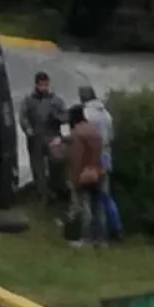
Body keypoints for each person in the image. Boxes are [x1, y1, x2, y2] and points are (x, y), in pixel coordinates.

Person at [79, 86, 123, 241]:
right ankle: (114, 231)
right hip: (106, 159)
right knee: (105, 198)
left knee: (86, 199)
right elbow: (111, 137)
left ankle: (88, 236)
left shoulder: (85, 113)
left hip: (91, 160)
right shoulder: (106, 113)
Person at [19, 72, 67, 205]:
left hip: (53, 136)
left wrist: (58, 117)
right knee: (38, 168)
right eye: (42, 85)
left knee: (56, 164)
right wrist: (28, 130)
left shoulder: (56, 100)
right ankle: (42, 195)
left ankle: (56, 191)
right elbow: (23, 117)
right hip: (35, 138)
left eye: (46, 85)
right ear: (36, 85)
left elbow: (66, 116)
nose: (44, 88)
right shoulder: (28, 100)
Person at [64, 104, 105, 247]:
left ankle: (85, 238)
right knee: (98, 207)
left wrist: (73, 179)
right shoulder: (94, 129)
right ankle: (100, 238)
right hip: (97, 171)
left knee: (84, 207)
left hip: (83, 174)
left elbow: (77, 158)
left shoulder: (77, 133)